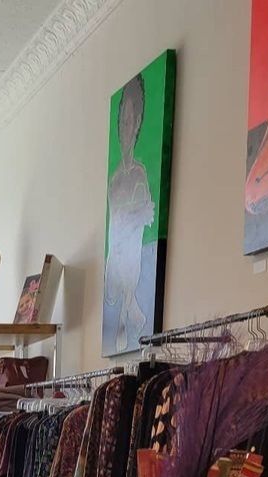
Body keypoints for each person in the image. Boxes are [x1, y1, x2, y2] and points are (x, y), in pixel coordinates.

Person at [104, 74, 155, 353]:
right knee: (112, 289)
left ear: (137, 125)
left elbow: (144, 216)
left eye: (129, 122)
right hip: (116, 258)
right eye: (121, 122)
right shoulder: (114, 181)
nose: (124, 129)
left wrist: (131, 218)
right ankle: (130, 309)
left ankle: (130, 309)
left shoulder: (139, 175)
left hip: (130, 259)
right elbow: (117, 224)